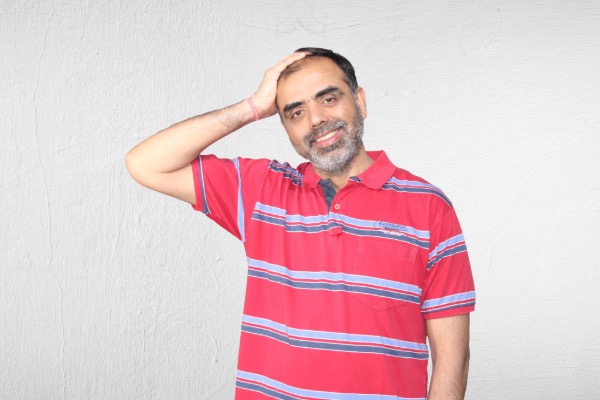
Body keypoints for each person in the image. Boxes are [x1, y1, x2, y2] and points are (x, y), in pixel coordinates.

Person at [126, 47, 476, 400]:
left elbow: (452, 359)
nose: (316, 119)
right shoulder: (261, 190)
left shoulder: (429, 206)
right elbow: (146, 164)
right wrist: (251, 107)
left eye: (328, 99)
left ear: (360, 101)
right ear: (286, 129)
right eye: (296, 112)